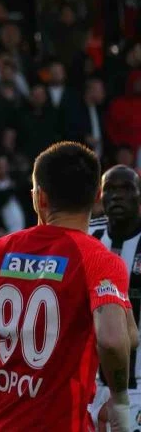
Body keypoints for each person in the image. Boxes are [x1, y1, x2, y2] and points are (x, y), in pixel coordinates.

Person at [0, 142, 137, 431]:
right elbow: (113, 339)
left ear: (39, 197)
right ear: (97, 197)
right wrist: (120, 401)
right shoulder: (99, 260)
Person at [88, 165, 141, 429]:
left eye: (126, 189)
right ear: (100, 195)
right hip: (88, 383)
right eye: (110, 189)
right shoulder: (87, 235)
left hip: (138, 383)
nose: (117, 196)